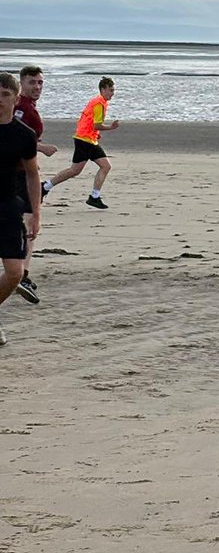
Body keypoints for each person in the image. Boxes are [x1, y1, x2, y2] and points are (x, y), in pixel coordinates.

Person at [0, 72, 41, 348]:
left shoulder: (24, 135)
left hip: (7, 205)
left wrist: (35, 212)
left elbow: (32, 175)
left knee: (15, 273)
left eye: (4, 95)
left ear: (16, 99)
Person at [13, 66, 58, 304]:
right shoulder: (20, 108)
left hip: (24, 173)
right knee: (29, 225)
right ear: (22, 83)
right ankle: (21, 274)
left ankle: (21, 273)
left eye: (40, 83)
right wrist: (42, 148)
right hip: (18, 176)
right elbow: (16, 137)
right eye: (32, 82)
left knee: (27, 224)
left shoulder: (28, 108)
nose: (37, 87)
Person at [42, 77, 119, 209]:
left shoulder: (98, 102)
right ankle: (45, 187)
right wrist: (110, 127)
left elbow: (88, 121)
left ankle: (94, 197)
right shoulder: (99, 103)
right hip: (84, 141)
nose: (113, 93)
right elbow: (97, 124)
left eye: (113, 90)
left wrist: (96, 134)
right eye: (111, 90)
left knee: (104, 166)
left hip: (89, 140)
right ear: (103, 89)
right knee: (74, 171)